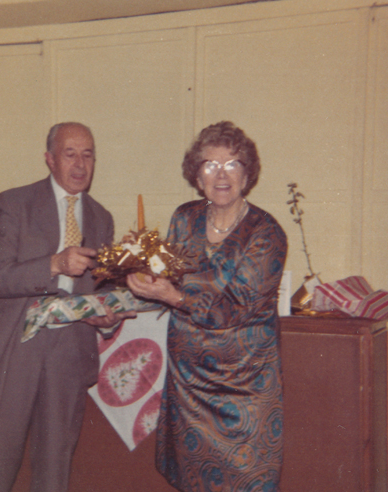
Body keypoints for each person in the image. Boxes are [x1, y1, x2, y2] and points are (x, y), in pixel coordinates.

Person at [0, 122, 135, 492]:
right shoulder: (12, 204)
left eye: (88, 155)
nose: (80, 164)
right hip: (12, 351)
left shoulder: (102, 218)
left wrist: (105, 320)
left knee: (53, 475)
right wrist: (53, 264)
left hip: (68, 358)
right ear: (49, 159)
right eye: (70, 154)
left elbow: (96, 293)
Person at [127, 121, 287, 491]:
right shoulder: (184, 219)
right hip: (190, 387)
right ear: (196, 176)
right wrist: (137, 276)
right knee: (193, 481)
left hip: (245, 390)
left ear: (247, 175)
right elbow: (165, 275)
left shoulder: (267, 232)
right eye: (209, 165)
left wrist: (171, 296)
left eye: (232, 164)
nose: (221, 175)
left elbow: (235, 308)